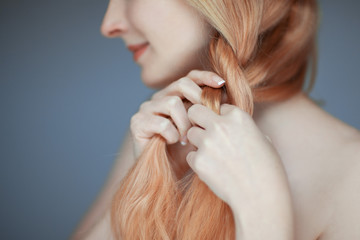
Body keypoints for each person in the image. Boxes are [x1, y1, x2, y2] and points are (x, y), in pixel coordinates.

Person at [71, 0, 360, 239]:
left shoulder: (352, 178)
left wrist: (264, 217)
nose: (109, 25)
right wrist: (140, 188)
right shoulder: (164, 128)